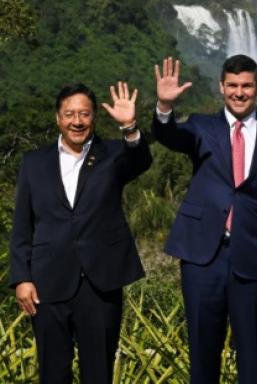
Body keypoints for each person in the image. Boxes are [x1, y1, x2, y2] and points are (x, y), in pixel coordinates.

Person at [152, 55, 257, 384]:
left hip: (254, 259)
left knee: (253, 359)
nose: (239, 92)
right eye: (232, 85)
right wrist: (164, 106)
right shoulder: (201, 127)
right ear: (222, 87)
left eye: (246, 85)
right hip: (203, 258)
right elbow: (169, 136)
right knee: (203, 356)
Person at [9, 82, 151, 383]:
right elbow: (23, 224)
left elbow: (141, 160)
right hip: (48, 284)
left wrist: (129, 127)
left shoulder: (113, 154)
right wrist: (22, 277)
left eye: (84, 114)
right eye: (70, 114)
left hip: (100, 284)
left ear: (94, 117)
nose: (77, 121)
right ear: (58, 118)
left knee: (98, 374)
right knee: (52, 373)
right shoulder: (34, 163)